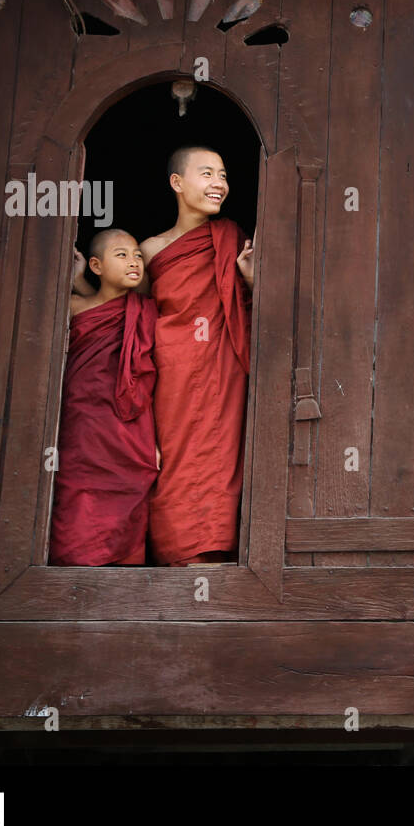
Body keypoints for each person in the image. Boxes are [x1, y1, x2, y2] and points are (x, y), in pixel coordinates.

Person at [141, 146, 255, 566]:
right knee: (173, 461)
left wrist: (251, 280)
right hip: (171, 371)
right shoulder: (150, 251)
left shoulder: (232, 240)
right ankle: (175, 551)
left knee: (221, 456)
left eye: (223, 175)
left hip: (222, 369)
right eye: (206, 173)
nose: (219, 184)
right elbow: (132, 318)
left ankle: (213, 555)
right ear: (177, 183)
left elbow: (252, 308)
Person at [49, 230, 160, 565]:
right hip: (82, 424)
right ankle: (73, 566)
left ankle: (121, 573)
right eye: (122, 255)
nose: (134, 262)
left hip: (129, 427)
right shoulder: (72, 306)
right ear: (96, 265)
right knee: (78, 490)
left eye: (138, 255)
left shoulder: (144, 311)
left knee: (128, 492)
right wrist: (76, 279)